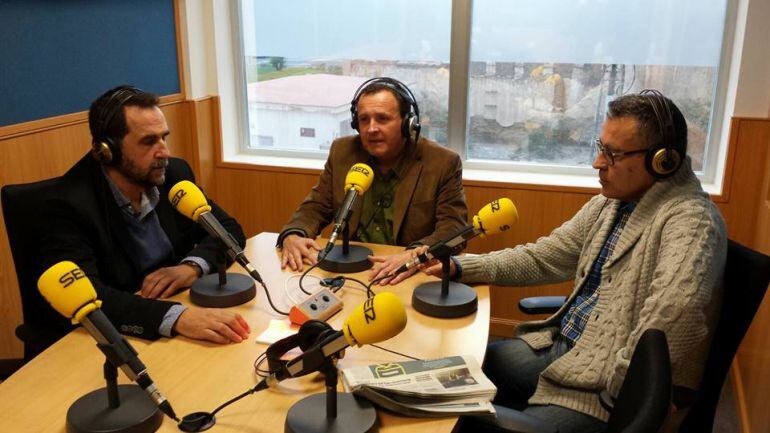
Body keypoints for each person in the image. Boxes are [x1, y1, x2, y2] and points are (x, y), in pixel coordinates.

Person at [425, 91, 727, 433]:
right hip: (563, 348)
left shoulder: (692, 223)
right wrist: (465, 267)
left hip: (603, 390)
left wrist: (621, 404)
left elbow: (668, 325)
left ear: (662, 161)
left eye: (612, 154)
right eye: (601, 148)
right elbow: (546, 256)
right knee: (444, 379)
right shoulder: (612, 203)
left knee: (466, 422)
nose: (599, 163)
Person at [34, 85, 251, 352]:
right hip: (107, 343)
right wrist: (177, 317)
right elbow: (90, 296)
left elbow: (227, 229)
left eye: (164, 138)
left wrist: (191, 268)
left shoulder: (172, 175)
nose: (164, 152)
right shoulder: (67, 205)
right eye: (149, 142)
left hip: (172, 323)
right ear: (107, 150)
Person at [278, 77, 468, 284]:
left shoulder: (442, 163)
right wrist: (294, 234)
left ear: (408, 123)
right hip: (350, 272)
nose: (371, 129)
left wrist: (415, 255)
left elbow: (454, 229)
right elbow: (316, 206)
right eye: (364, 120)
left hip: (406, 274)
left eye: (383, 119)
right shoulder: (343, 152)